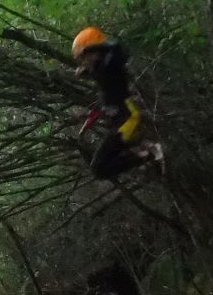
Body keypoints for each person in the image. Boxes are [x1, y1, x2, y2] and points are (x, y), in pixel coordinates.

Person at [71, 27, 165, 181]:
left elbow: (118, 53)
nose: (83, 63)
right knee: (101, 167)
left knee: (99, 168)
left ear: (94, 51)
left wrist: (105, 48)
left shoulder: (111, 63)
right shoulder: (102, 70)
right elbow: (106, 91)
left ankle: (150, 153)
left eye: (84, 57)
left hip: (128, 120)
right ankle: (145, 155)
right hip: (121, 123)